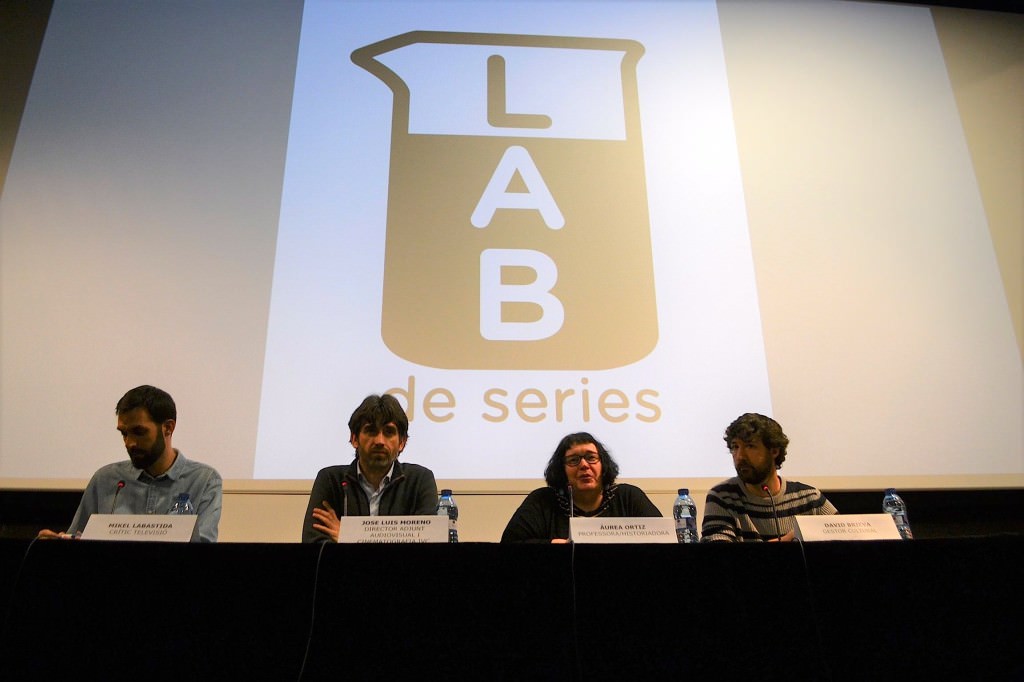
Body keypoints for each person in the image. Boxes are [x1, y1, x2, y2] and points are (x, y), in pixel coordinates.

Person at [37, 385, 222, 542]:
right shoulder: (105, 479)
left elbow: (203, 555)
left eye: (139, 432)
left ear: (168, 428)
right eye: (124, 433)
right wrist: (58, 544)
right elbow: (78, 538)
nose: (129, 443)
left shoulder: (204, 480)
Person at [302, 393, 438, 543]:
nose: (380, 441)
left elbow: (426, 548)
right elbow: (313, 545)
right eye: (371, 431)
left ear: (402, 443)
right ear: (354, 439)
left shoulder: (419, 480)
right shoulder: (330, 480)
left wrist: (348, 537)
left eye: (388, 432)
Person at [501, 432, 661, 543]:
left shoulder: (627, 496)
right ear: (561, 469)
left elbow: (664, 539)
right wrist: (552, 545)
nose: (584, 465)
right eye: (573, 460)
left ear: (603, 464)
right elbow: (510, 544)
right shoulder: (542, 501)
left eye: (591, 458)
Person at [701, 413, 836, 542]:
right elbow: (718, 558)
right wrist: (787, 541)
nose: (740, 456)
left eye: (750, 446)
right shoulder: (722, 497)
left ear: (774, 451)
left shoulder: (809, 498)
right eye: (735, 447)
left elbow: (846, 540)